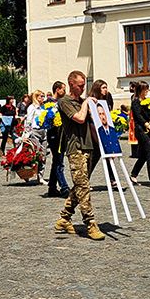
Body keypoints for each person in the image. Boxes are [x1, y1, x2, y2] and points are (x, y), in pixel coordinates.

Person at [52, 71, 105, 240]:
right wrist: (87, 104)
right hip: (76, 149)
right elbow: (80, 118)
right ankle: (90, 223)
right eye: (80, 85)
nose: (83, 88)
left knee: (80, 186)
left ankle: (64, 218)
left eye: (84, 85)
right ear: (71, 84)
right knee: (83, 187)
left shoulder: (83, 101)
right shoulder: (64, 102)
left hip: (90, 147)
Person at [129, 81, 150, 187]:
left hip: (148, 131)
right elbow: (139, 117)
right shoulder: (135, 102)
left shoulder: (147, 101)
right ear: (140, 90)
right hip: (141, 130)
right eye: (145, 89)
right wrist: (149, 127)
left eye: (148, 89)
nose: (147, 91)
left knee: (143, 156)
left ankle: (133, 175)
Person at [45, 82, 68, 198]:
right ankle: (64, 187)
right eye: (63, 89)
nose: (65, 92)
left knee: (56, 161)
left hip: (61, 135)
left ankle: (52, 188)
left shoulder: (61, 102)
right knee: (59, 161)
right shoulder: (49, 103)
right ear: (57, 89)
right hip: (54, 135)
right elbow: (46, 119)